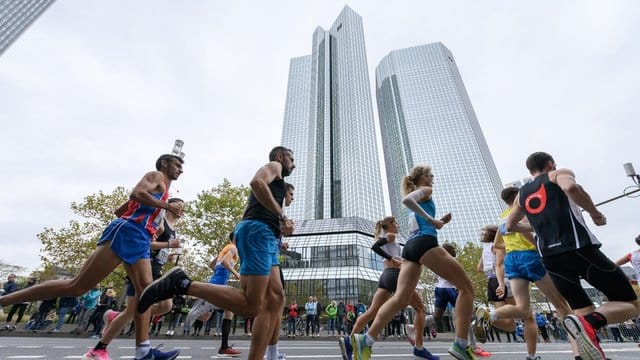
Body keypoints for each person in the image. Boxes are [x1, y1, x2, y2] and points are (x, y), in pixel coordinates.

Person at [0, 146, 185, 360]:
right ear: (164, 163)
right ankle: (4, 301)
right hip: (127, 232)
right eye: (177, 165)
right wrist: (164, 206)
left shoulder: (163, 191)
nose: (180, 169)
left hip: (141, 238)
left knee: (146, 294)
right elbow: (136, 194)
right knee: (77, 287)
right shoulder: (156, 176)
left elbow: (124, 208)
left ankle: (143, 351)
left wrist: (154, 223)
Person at [136, 146, 295, 360]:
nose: (293, 164)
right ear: (279, 157)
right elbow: (256, 182)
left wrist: (281, 226)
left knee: (277, 298)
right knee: (251, 307)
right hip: (258, 232)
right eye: (291, 159)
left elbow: (254, 208)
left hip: (264, 235)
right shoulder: (274, 166)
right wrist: (281, 216)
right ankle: (183, 284)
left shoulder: (277, 187)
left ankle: (267, 355)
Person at [505, 151, 640, 360]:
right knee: (631, 305)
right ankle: (593, 322)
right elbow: (571, 188)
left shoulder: (522, 194)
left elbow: (510, 225)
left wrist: (538, 224)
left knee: (580, 311)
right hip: (579, 248)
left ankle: (588, 354)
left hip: (550, 258)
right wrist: (595, 213)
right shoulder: (558, 173)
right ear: (550, 164)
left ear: (530, 171)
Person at [339, 165, 475, 360]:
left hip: (411, 248)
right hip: (425, 244)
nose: (432, 178)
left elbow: (420, 222)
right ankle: (461, 344)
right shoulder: (426, 191)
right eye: (430, 175)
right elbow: (407, 201)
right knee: (467, 289)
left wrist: (438, 222)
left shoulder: (418, 198)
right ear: (422, 178)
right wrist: (432, 220)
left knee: (400, 300)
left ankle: (365, 341)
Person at [476, 186, 578, 360]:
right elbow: (529, 237)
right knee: (561, 306)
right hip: (530, 257)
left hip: (512, 262)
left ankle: (491, 315)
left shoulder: (502, 219)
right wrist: (541, 242)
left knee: (522, 309)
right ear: (518, 197)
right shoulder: (523, 212)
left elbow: (496, 245)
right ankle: (579, 350)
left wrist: (510, 245)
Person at [346, 216, 436, 359]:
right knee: (420, 309)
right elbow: (375, 247)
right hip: (395, 274)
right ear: (389, 225)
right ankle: (419, 347)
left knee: (372, 311)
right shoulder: (391, 235)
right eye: (396, 223)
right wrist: (391, 258)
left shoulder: (390, 236)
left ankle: (349, 342)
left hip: (385, 277)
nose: (398, 225)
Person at [184, 232, 241, 357]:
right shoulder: (233, 248)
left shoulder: (225, 249)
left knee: (206, 318)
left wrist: (220, 273)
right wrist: (236, 274)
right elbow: (225, 262)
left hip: (215, 283)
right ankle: (224, 347)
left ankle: (224, 347)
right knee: (230, 309)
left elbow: (212, 265)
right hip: (218, 285)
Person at [265, 181, 295, 360]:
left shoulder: (278, 215)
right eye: (291, 194)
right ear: (283, 194)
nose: (293, 198)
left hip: (272, 255)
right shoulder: (275, 211)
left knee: (275, 303)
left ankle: (271, 353)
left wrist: (281, 244)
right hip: (266, 255)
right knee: (264, 305)